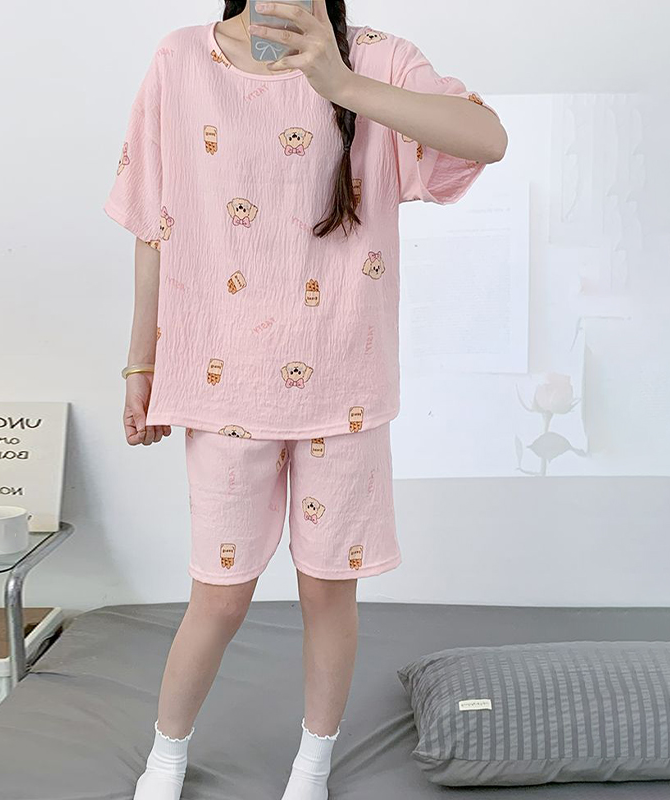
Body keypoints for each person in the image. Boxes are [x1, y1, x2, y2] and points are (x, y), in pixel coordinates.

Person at [104, 2, 507, 798]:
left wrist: (340, 82)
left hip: (344, 386)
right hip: (225, 384)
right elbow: (153, 222)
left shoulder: (376, 57)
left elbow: (487, 139)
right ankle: (167, 755)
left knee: (328, 590)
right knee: (220, 596)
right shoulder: (182, 59)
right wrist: (140, 363)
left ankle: (312, 764)